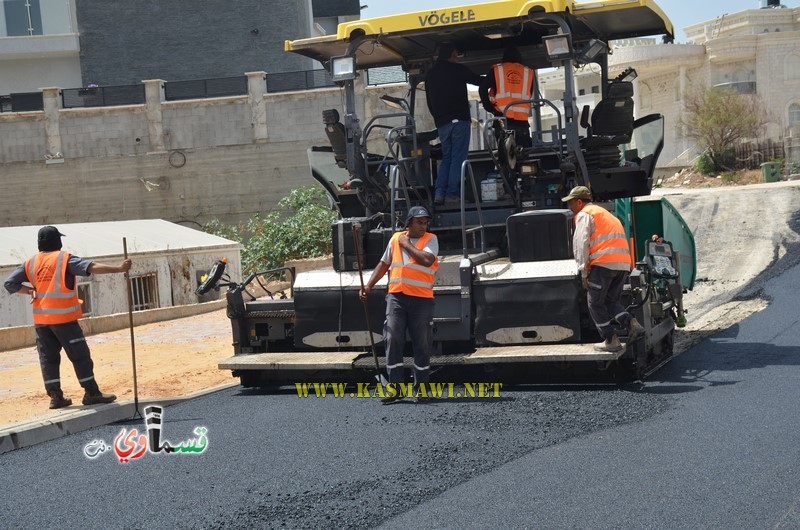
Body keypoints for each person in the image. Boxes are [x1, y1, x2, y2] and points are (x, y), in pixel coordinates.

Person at [4, 226, 132, 409]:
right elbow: (92, 267)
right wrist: (119, 268)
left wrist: (30, 290)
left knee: (48, 359)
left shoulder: (30, 263)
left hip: (42, 322)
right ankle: (92, 393)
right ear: (58, 241)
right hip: (64, 320)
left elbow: (9, 283)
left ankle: (56, 397)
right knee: (80, 356)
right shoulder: (64, 259)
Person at [360, 206, 439, 404]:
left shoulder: (430, 239)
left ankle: (421, 390)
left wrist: (406, 244)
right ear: (410, 222)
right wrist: (368, 286)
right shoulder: (395, 239)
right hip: (396, 297)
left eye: (425, 222)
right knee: (392, 337)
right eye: (419, 222)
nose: (423, 225)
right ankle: (395, 388)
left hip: (421, 299)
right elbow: (383, 264)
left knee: (421, 343)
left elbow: (427, 260)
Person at [562, 186, 645, 352]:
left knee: (594, 302)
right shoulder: (604, 213)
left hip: (603, 264)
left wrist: (583, 272)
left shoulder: (585, 214)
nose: (569, 207)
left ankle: (610, 339)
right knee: (610, 301)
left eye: (571, 203)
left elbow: (581, 244)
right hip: (622, 264)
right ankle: (632, 324)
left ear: (579, 202)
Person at [424, 42, 484, 206]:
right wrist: (494, 76)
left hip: (442, 124)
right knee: (458, 158)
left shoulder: (430, 74)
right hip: (459, 122)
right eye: (456, 54)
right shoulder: (457, 70)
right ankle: (452, 195)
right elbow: (478, 80)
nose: (457, 57)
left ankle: (439, 193)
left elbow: (429, 101)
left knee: (447, 158)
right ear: (452, 55)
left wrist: (438, 118)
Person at [479, 46, 535, 148]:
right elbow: (529, 93)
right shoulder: (528, 72)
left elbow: (482, 88)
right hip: (522, 123)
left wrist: (489, 107)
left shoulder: (497, 70)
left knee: (505, 157)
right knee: (524, 155)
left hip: (502, 120)